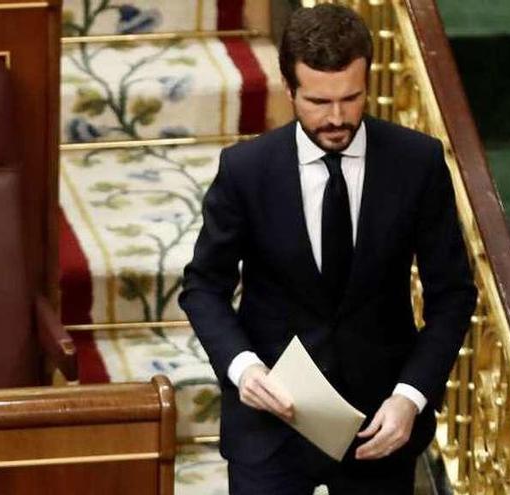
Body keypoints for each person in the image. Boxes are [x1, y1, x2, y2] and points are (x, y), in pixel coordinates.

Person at [178, 4, 477, 494]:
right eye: (318, 101)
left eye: (351, 98)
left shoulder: (417, 164)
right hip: (271, 423)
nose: (336, 118)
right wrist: (243, 368)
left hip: (378, 428)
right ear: (289, 89)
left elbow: (453, 296)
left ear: (368, 82)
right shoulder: (246, 171)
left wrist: (411, 396)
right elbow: (202, 287)